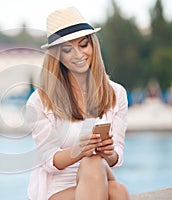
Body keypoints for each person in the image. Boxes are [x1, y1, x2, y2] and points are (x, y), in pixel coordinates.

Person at [25, 7, 129, 200]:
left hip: (99, 173)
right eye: (67, 49)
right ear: (57, 55)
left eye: (83, 45)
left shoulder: (116, 93)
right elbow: (49, 160)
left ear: (93, 45)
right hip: (56, 189)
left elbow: (117, 157)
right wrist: (78, 151)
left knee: (95, 162)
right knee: (117, 190)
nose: (78, 54)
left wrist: (109, 152)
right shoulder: (39, 100)